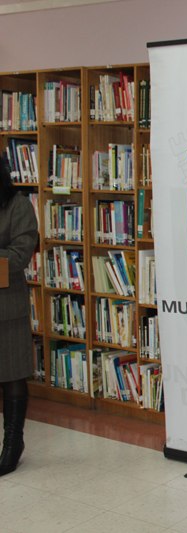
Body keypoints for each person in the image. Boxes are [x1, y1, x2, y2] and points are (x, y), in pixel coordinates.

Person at [0, 161, 38, 477]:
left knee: (12, 373)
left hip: (6, 306)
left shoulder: (19, 205)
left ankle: (13, 443)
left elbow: (20, 255)